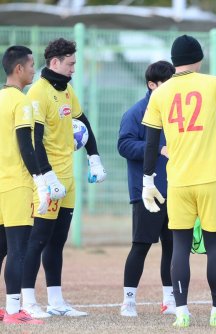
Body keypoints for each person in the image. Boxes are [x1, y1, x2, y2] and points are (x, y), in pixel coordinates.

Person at [141, 34, 216, 328]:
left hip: (178, 180)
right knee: (214, 246)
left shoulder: (160, 93)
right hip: (212, 177)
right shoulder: (213, 83)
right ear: (199, 58)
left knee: (179, 247)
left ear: (174, 61)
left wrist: (147, 180)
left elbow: (151, 143)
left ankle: (182, 312)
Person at [21, 38, 107, 318]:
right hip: (49, 180)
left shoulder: (67, 90)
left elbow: (84, 123)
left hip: (68, 179)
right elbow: (34, 140)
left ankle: (56, 301)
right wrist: (46, 176)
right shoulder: (38, 93)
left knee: (58, 241)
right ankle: (28, 301)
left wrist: (94, 158)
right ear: (55, 63)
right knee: (38, 240)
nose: (73, 69)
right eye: (70, 64)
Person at [117, 60, 176, 317]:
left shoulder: (176, 112)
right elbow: (124, 145)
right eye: (168, 83)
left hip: (177, 190)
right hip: (147, 191)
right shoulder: (135, 113)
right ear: (152, 85)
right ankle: (128, 301)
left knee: (173, 247)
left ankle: (170, 301)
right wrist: (155, 149)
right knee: (141, 246)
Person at [0, 45, 50, 324]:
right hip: (17, 185)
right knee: (18, 250)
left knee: (0, 249)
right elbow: (26, 147)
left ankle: (5, 309)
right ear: (18, 69)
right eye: (31, 65)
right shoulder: (21, 102)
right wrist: (40, 181)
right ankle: (13, 310)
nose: (34, 70)